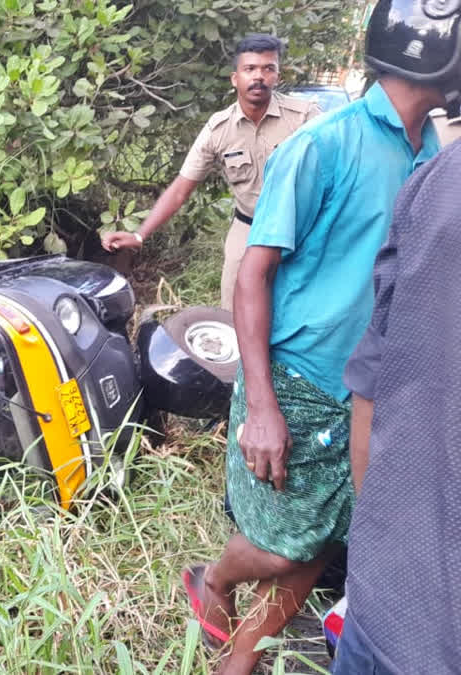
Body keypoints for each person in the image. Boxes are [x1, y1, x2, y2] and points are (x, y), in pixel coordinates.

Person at [180, 1, 454, 672]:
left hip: (363, 386)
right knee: (287, 543)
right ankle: (212, 579)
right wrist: (263, 404)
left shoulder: (428, 154)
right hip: (299, 376)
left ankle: (241, 656)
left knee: (331, 534)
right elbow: (254, 274)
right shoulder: (324, 144)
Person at [331, 3, 461, 672]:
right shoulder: (329, 141)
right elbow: (256, 271)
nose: (260, 78)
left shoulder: (433, 168)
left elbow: (372, 382)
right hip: (403, 609)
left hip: (394, 607)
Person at [101, 34, 319, 311]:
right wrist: (140, 235)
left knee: (303, 313)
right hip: (249, 228)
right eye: (250, 69)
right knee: (235, 314)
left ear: (277, 76)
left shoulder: (305, 118)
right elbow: (181, 189)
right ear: (234, 78)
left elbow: (340, 174)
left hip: (301, 230)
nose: (259, 77)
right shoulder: (218, 129)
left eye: (268, 68)